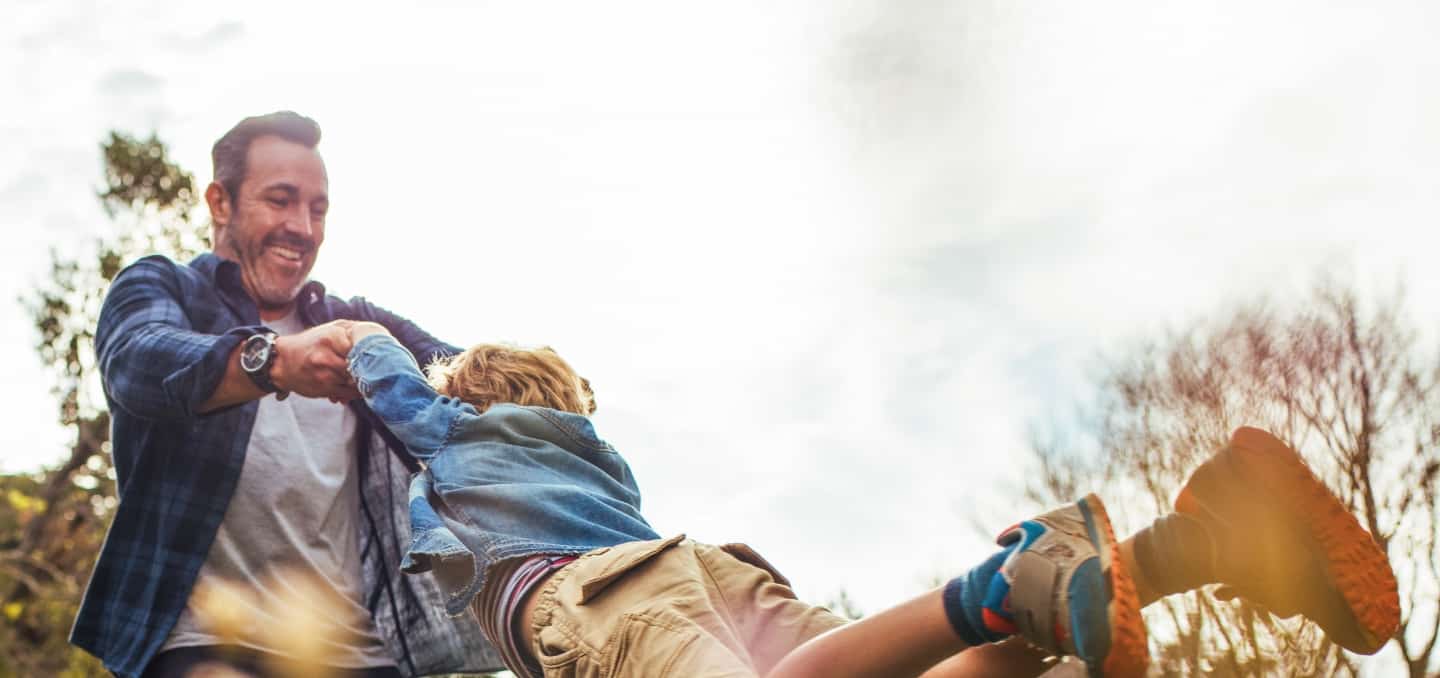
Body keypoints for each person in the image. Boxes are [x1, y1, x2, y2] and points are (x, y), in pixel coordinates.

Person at [341, 324, 1400, 678]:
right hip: (697, 564)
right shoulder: (594, 456)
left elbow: (384, 369)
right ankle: (1201, 541)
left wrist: (351, 336)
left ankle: (1006, 584)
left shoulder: (461, 432)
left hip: (595, 598)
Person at [73, 112, 502, 678]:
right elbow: (140, 364)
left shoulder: (356, 324)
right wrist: (273, 360)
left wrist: (529, 387)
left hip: (357, 656)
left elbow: (466, 379)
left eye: (317, 208)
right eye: (280, 200)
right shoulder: (164, 288)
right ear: (220, 202)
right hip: (199, 647)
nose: (302, 227)